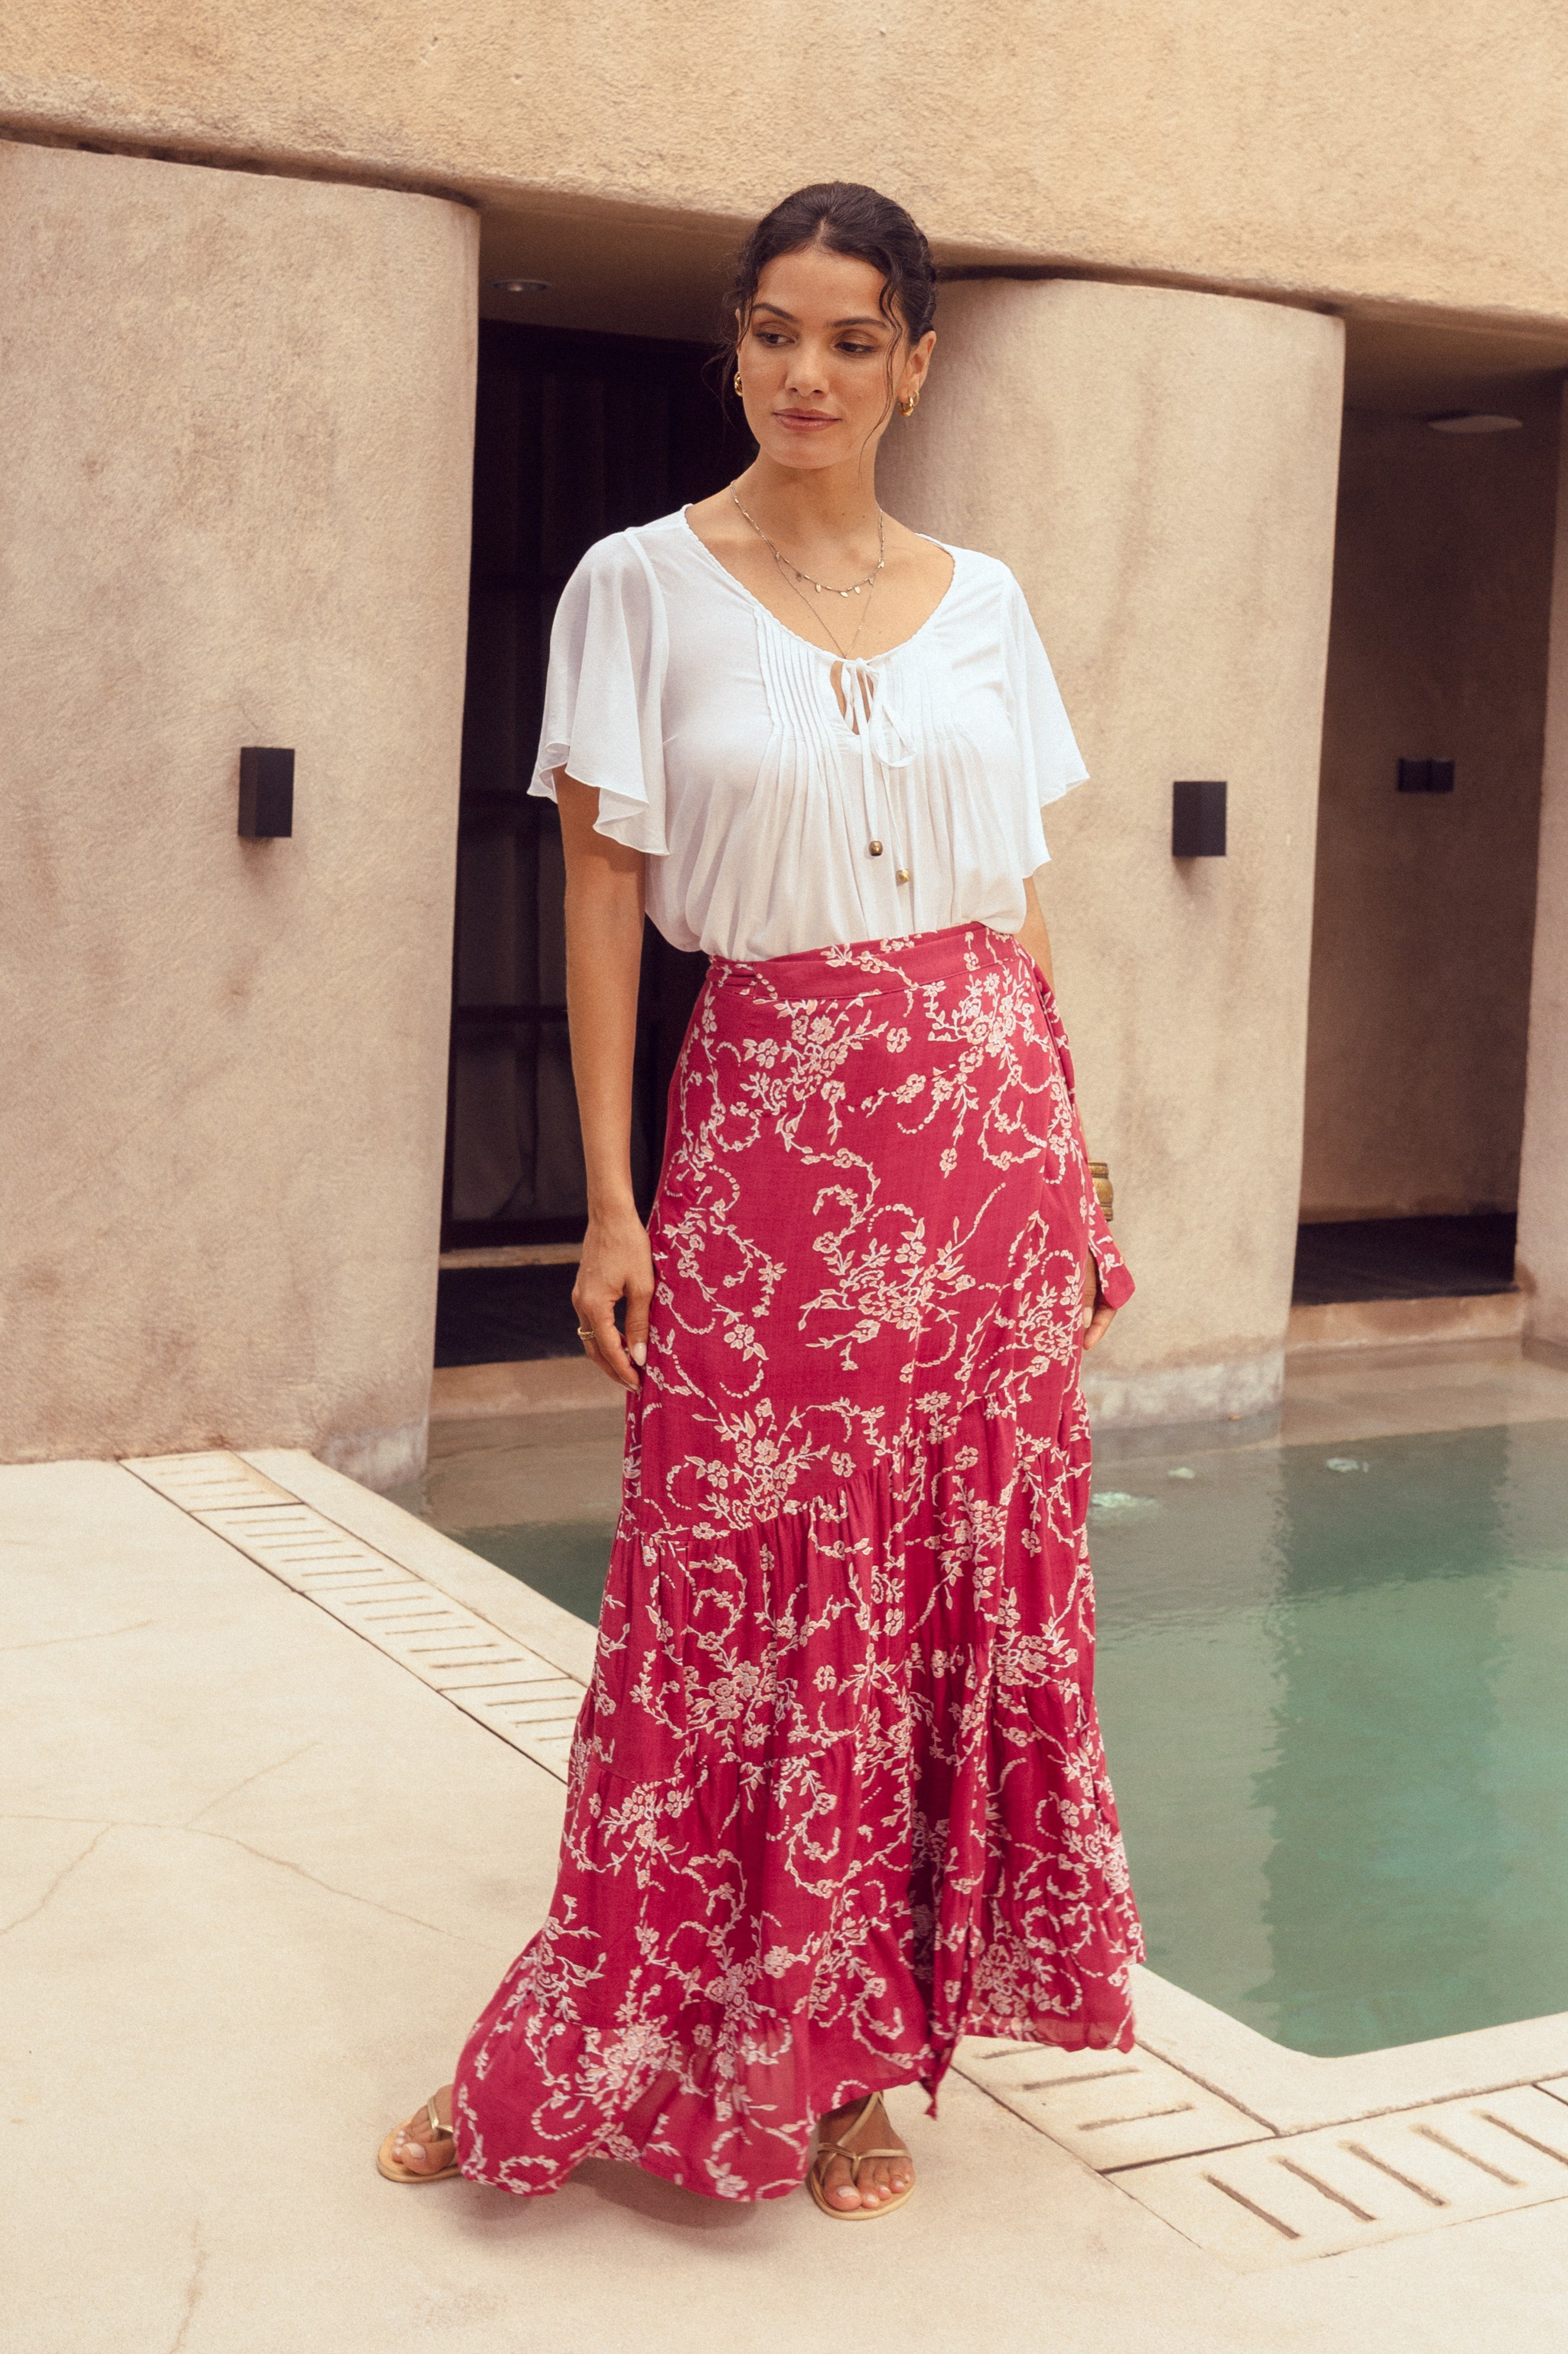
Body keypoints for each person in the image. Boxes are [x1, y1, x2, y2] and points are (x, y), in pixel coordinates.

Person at [379, 180, 1142, 2219]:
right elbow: (607, 890)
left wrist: (1072, 1157)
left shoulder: (982, 597)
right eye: (772, 331)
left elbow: (1019, 895)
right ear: (735, 345)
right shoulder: (638, 581)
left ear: (914, 360)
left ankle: (849, 2066)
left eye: (847, 336)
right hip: (772, 1134)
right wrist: (610, 1197)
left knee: (926, 1609)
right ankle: (581, 2026)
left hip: (982, 1136)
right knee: (720, 1602)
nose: (805, 371)